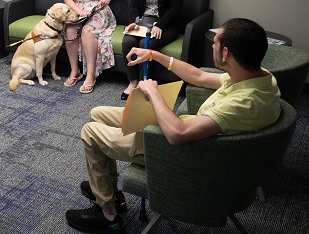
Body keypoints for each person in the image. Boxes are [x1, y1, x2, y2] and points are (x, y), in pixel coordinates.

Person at [66, 18, 281, 233]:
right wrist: (154, 55)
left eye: (215, 43)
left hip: (176, 150)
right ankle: (111, 193)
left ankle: (108, 215)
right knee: (97, 114)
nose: (212, 46)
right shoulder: (257, 78)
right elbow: (200, 76)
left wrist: (154, 94)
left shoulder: (243, 104)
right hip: (187, 134)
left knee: (90, 132)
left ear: (225, 54)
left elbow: (177, 134)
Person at [120, 0, 184, 100]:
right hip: (143, 22)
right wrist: (133, 22)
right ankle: (133, 81)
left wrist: (160, 25)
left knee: (145, 44)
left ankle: (144, 82)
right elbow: (133, 5)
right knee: (127, 41)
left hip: (167, 24)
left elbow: (175, 8)